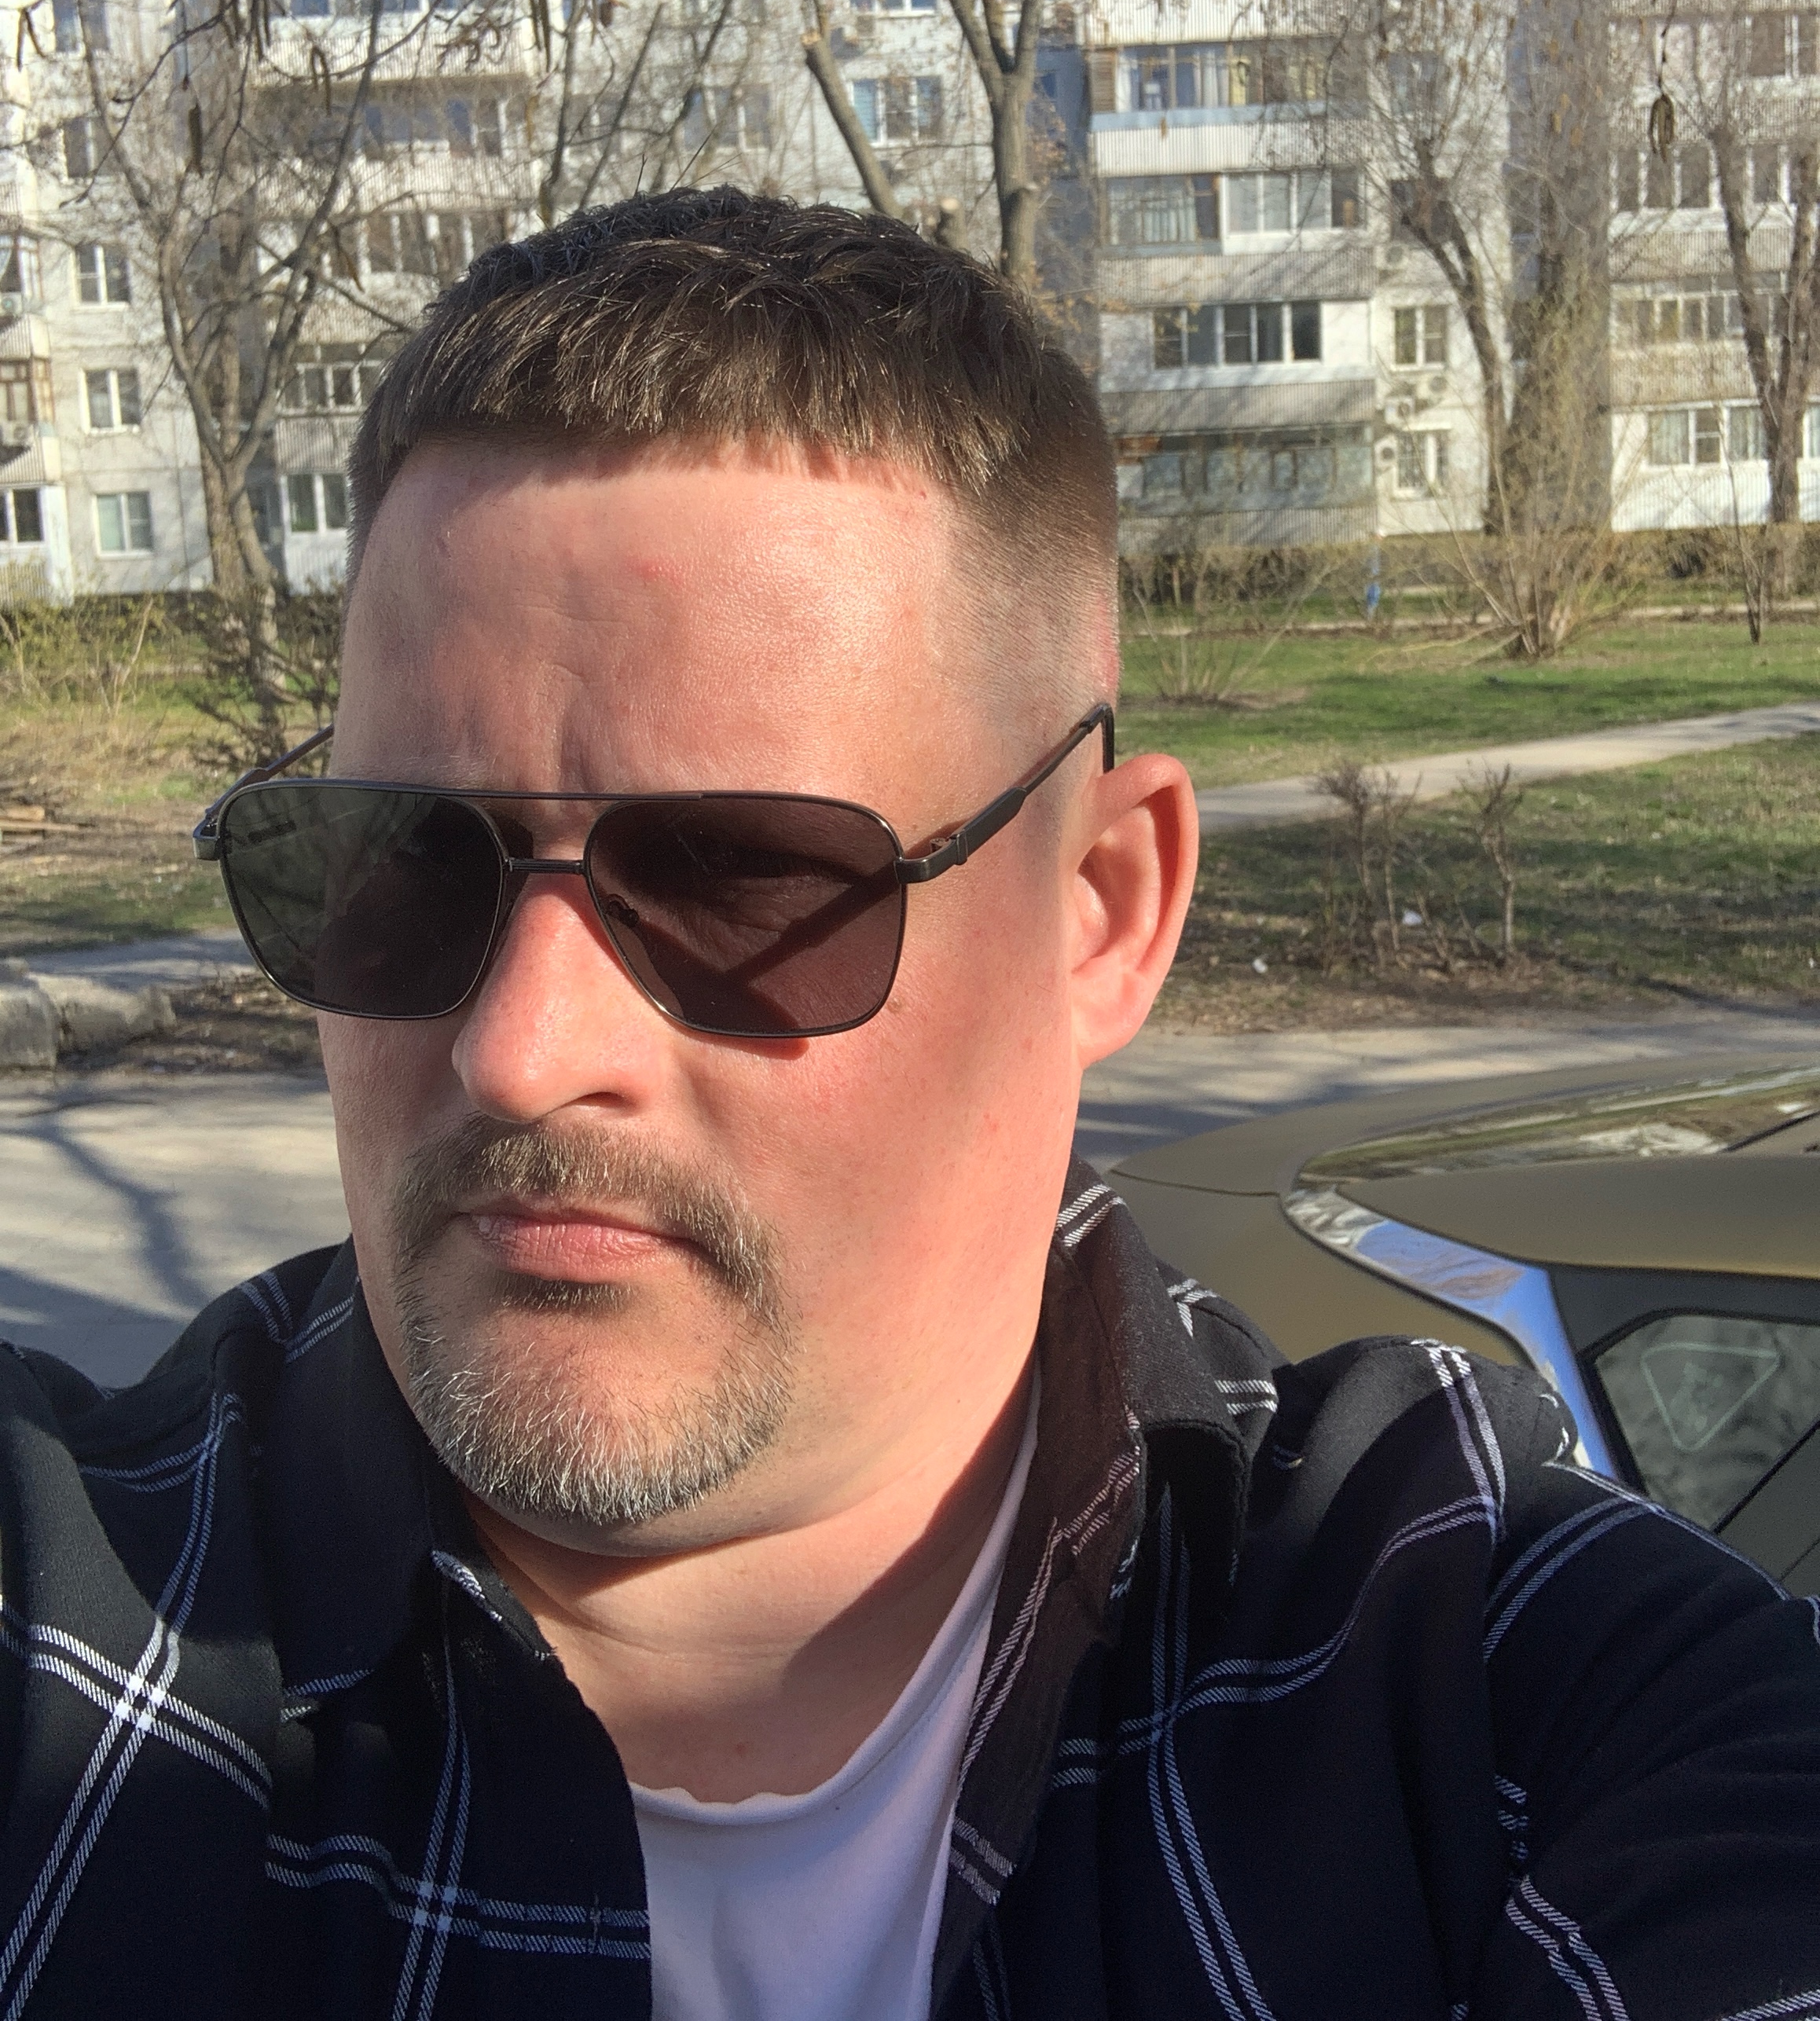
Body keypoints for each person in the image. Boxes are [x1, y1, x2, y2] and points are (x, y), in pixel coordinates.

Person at [1, 189, 1814, 2021]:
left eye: (743, 880)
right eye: (408, 856)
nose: (520, 1050)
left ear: (1098, 912)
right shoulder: (60, 1630)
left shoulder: (1521, 1696)